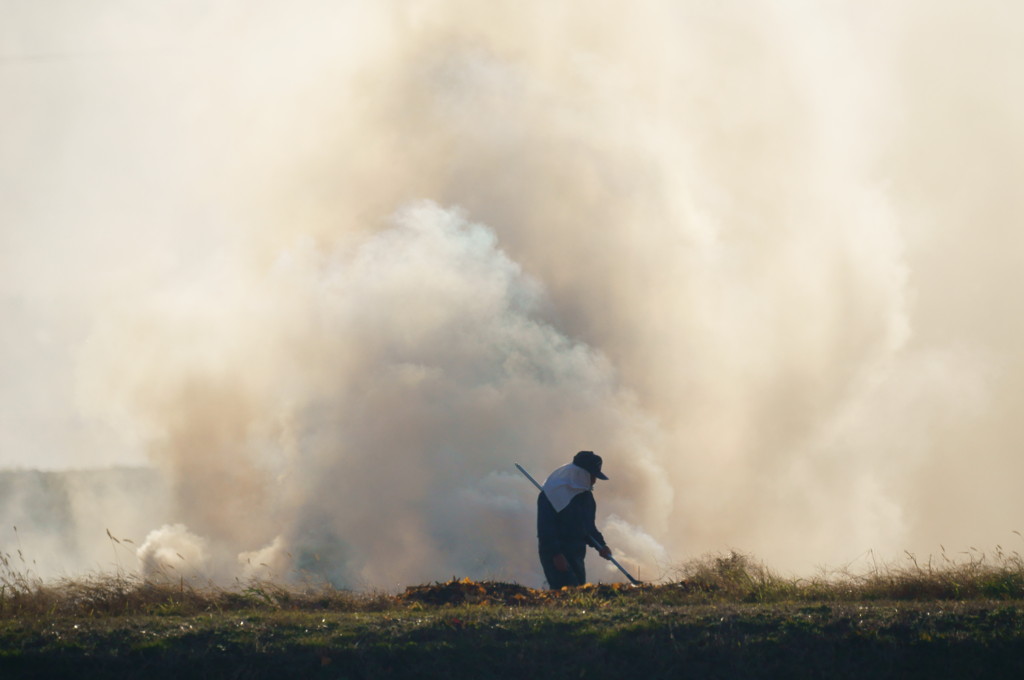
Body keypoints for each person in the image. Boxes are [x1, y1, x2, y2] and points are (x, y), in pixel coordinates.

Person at [536, 450, 613, 589]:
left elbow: (588, 528)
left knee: (579, 590)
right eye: (592, 476)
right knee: (565, 591)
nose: (594, 480)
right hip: (555, 552)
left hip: (576, 551)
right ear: (581, 473)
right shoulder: (551, 493)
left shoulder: (586, 496)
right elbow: (545, 529)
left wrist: (601, 546)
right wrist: (556, 555)